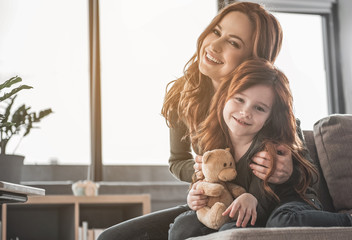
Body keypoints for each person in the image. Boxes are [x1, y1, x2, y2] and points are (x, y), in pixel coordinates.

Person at [98, 2, 291, 240]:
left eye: (233, 43)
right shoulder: (184, 93)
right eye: (216, 31)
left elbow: (292, 133)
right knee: (110, 238)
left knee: (184, 231)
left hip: (253, 208)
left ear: (253, 59)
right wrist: (200, 172)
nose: (214, 45)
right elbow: (177, 161)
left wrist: (286, 165)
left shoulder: (260, 100)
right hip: (212, 206)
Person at [168, 58, 352, 239]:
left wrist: (251, 199)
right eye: (239, 99)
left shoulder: (272, 142)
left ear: (270, 116)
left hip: (288, 202)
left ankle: (348, 220)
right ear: (224, 96)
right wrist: (197, 195)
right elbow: (208, 178)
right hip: (240, 203)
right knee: (182, 227)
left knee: (281, 221)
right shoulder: (210, 137)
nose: (245, 112)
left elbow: (273, 192)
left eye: (259, 108)